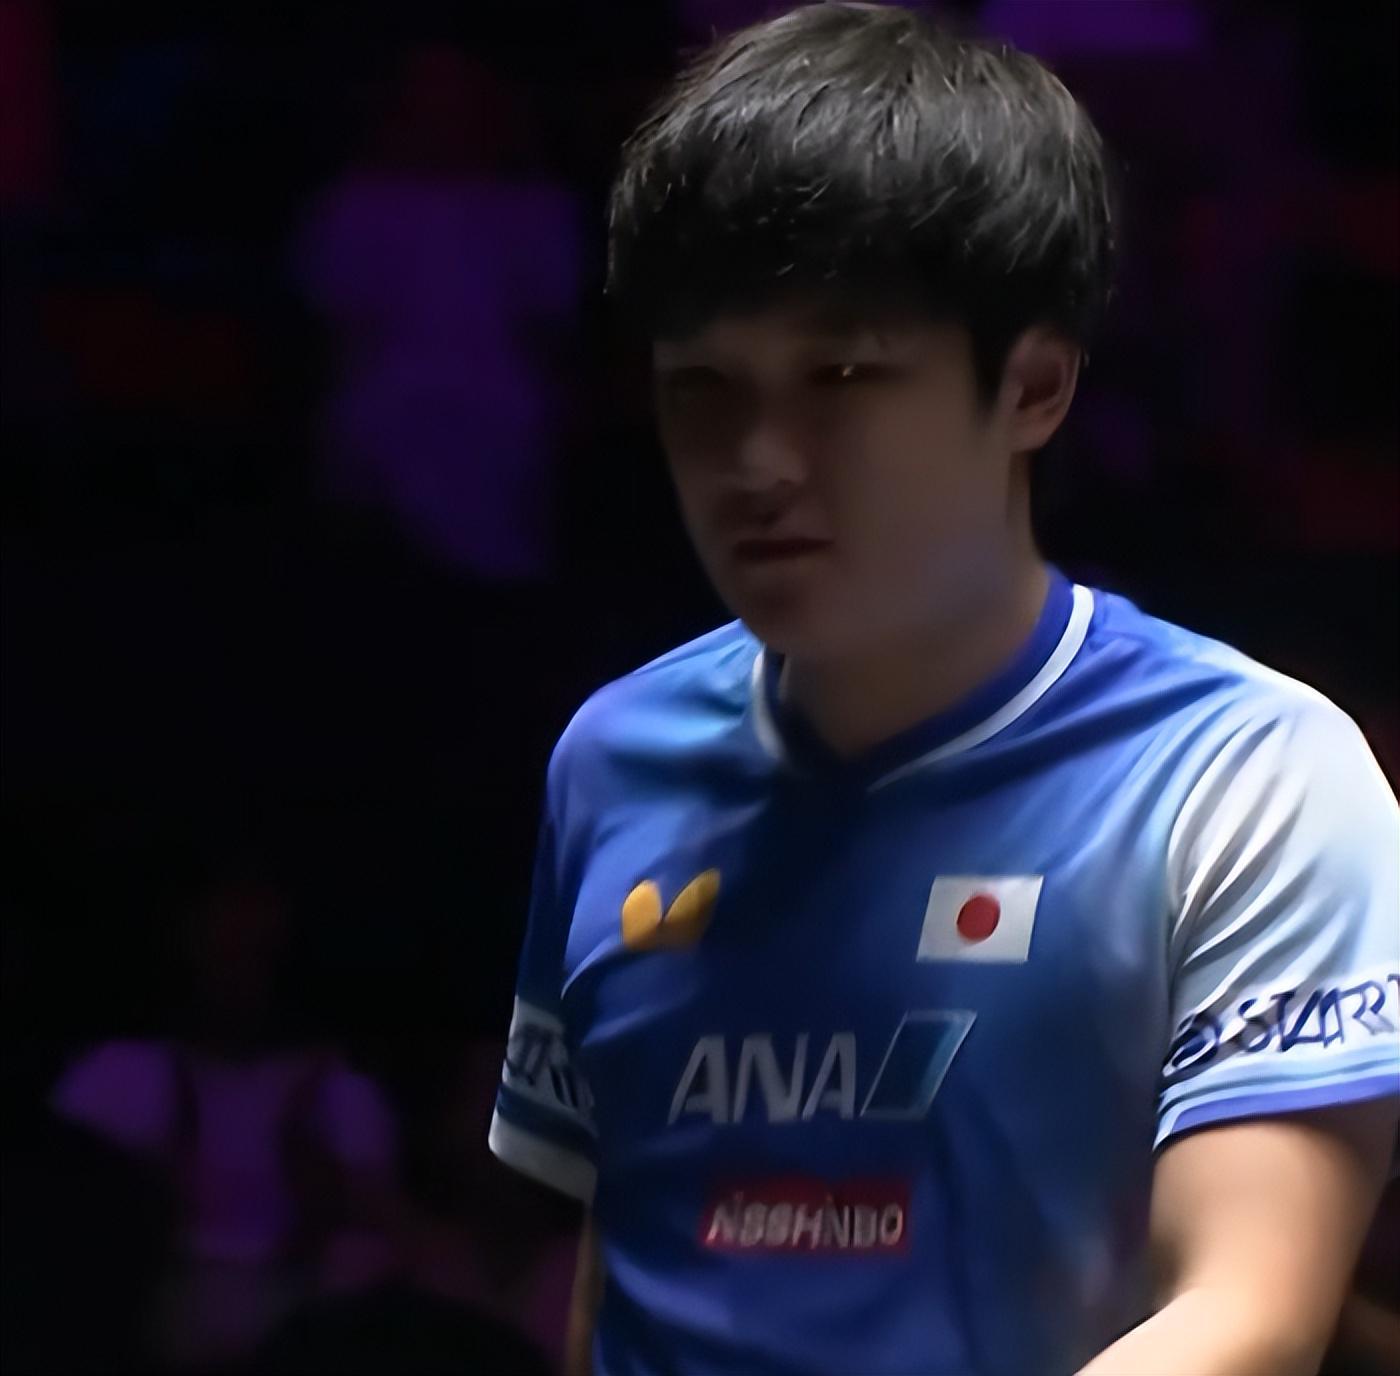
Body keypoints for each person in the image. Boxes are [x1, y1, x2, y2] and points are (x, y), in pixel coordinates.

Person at [486, 5, 1400, 1375]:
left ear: (1033, 385)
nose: (757, 462)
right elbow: (624, 1265)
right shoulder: (614, 757)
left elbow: (1247, 1315)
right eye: (704, 389)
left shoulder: (1249, 775)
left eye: (842, 377)